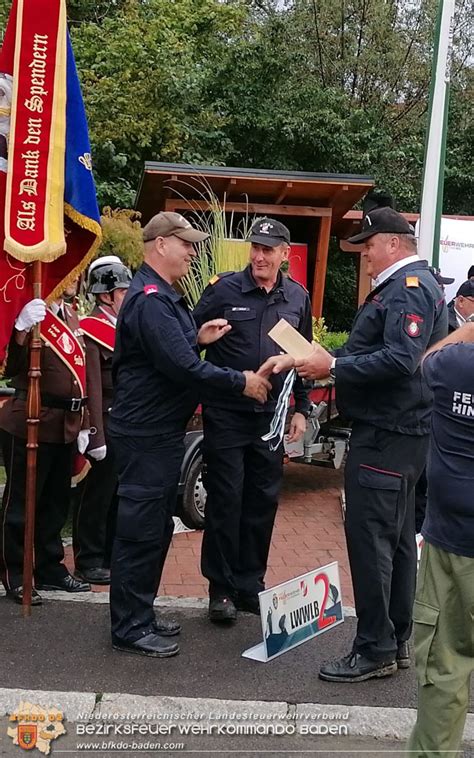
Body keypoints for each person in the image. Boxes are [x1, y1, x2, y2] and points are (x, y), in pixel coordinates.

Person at [270, 207, 448, 682]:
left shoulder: (407, 289)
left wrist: (334, 368)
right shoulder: (406, 287)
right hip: (399, 435)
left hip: (388, 436)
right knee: (396, 543)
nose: (365, 255)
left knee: (371, 544)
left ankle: (374, 648)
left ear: (393, 243)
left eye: (368, 245)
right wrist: (319, 358)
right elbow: (372, 350)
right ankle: (396, 638)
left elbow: (401, 359)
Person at [108, 211, 271, 658]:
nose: (193, 251)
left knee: (155, 528)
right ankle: (128, 626)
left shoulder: (162, 297)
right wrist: (242, 381)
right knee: (140, 531)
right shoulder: (151, 300)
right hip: (145, 435)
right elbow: (183, 368)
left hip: (156, 433)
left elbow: (173, 351)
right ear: (160, 244)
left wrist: (197, 335)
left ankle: (140, 612)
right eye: (186, 243)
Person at [192, 217, 312, 622]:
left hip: (272, 419)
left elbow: (306, 356)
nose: (259, 256)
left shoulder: (297, 297)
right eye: (255, 248)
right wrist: (198, 339)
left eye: (268, 249)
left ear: (284, 253)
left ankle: (249, 583)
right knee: (226, 499)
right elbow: (186, 336)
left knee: (262, 501)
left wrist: (301, 408)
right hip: (227, 413)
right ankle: (220, 588)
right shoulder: (223, 289)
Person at [407, 321, 474, 755]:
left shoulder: (454, 365)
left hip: (451, 542)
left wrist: (468, 329)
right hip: (450, 538)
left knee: (443, 669)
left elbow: (423, 359)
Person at [0, 291, 91, 605]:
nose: (73, 280)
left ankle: (50, 567)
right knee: (21, 505)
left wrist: (84, 422)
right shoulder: (29, 311)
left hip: (65, 423)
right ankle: (13, 572)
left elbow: (81, 375)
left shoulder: (69, 312)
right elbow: (10, 367)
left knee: (55, 504)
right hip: (30, 420)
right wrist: (21, 330)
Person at [72, 257, 132, 585]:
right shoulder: (91, 329)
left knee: (116, 494)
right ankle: (88, 558)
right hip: (105, 423)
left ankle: (109, 554)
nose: (128, 295)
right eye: (123, 291)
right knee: (96, 496)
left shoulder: (124, 327)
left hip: (125, 422)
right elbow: (93, 385)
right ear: (106, 295)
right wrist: (95, 435)